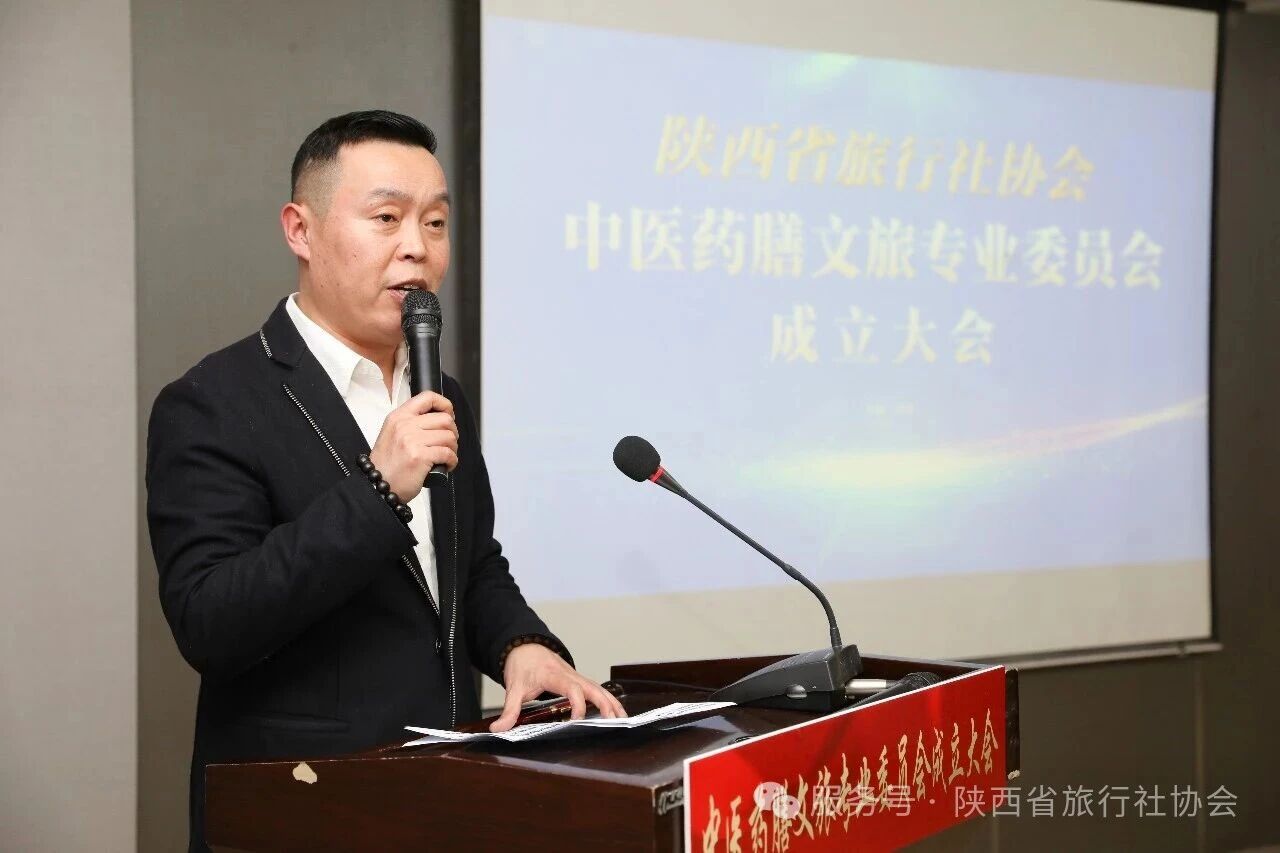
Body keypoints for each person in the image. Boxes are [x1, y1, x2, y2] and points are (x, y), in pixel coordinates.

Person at [145, 109, 624, 851]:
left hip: (445, 796)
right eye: (386, 218)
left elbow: (470, 563)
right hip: (303, 810)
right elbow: (211, 621)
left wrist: (518, 645)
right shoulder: (213, 403)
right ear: (300, 231)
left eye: (435, 223)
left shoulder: (438, 391)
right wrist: (377, 488)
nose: (417, 248)